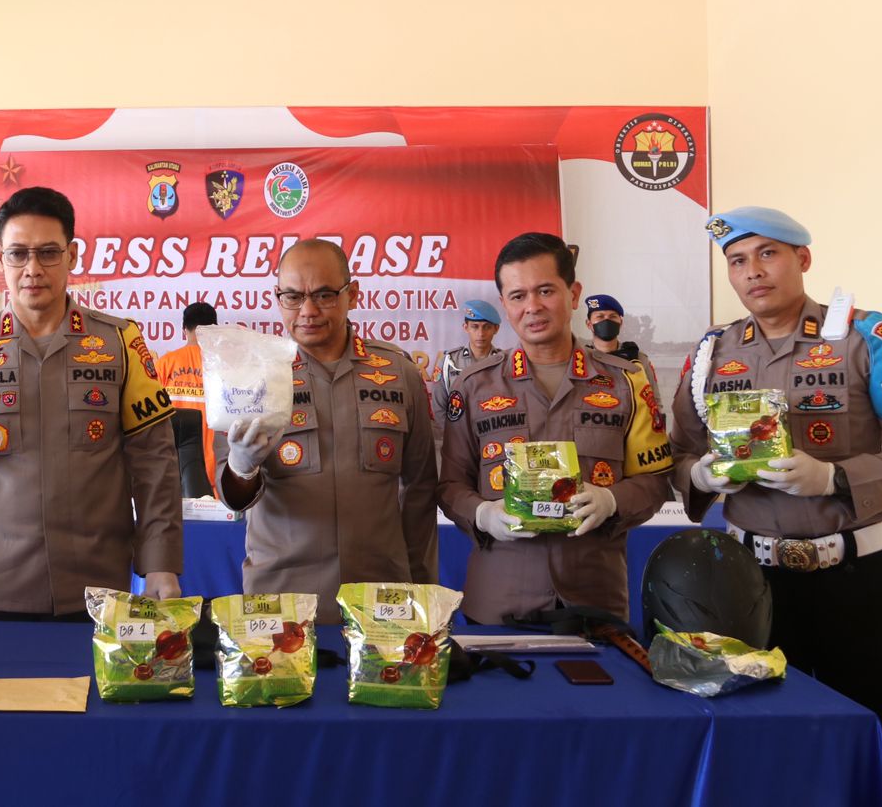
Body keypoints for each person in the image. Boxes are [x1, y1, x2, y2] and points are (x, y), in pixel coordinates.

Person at [670, 206, 882, 807]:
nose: (752, 272)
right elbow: (680, 454)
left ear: (802, 258)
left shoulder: (864, 336)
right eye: (737, 261)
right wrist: (697, 474)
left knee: (880, 749)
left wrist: (835, 478)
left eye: (767, 254)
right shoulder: (712, 353)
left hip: (855, 579)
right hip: (749, 585)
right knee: (761, 751)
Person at [0, 186, 184, 620]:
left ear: (72, 256)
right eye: (18, 254)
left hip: (98, 585)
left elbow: (155, 463)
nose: (32, 269)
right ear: (0, 259)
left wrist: (161, 564)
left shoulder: (119, 342)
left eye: (48, 253)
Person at [437, 232, 672, 624]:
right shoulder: (473, 386)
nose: (532, 307)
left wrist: (612, 500)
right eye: (518, 296)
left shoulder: (626, 381)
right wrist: (482, 514)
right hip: (499, 600)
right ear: (504, 305)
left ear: (574, 294)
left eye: (545, 291)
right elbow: (449, 485)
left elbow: (656, 479)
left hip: (594, 597)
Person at [214, 239, 438, 623]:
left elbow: (420, 491)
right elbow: (231, 497)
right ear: (277, 297)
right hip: (282, 600)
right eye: (292, 297)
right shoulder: (250, 378)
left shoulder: (398, 373)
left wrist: (422, 592)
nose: (308, 311)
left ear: (352, 294)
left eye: (324, 295)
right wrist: (242, 467)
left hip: (380, 599)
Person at [156, 301, 218, 498]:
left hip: (173, 462)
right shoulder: (222, 365)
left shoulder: (165, 363)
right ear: (214, 330)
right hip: (215, 464)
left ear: (184, 329)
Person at [430, 299, 504, 456]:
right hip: (457, 443)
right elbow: (439, 407)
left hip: (494, 442)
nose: (481, 334)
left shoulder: (504, 362)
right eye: (475, 327)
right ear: (466, 327)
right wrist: (455, 438)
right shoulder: (449, 362)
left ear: (496, 329)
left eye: (487, 327)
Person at [583, 293, 660, 391]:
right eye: (600, 316)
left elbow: (654, 397)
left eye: (612, 316)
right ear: (589, 324)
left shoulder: (639, 360)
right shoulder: (580, 360)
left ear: (621, 323)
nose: (607, 321)